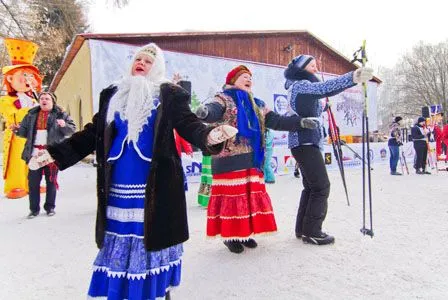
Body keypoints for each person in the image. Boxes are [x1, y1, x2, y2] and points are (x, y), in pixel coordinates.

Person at [29, 43, 236, 299]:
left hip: (155, 182)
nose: (142, 63)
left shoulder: (169, 94)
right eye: (138, 58)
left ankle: (156, 292)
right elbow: (91, 134)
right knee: (121, 238)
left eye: (148, 61)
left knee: (151, 235)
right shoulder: (113, 94)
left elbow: (188, 123)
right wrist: (54, 153)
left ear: (157, 67)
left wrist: (210, 135)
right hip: (118, 182)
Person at [196, 65, 319, 254]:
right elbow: (213, 110)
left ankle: (244, 233)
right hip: (229, 160)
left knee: (248, 198)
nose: (249, 79)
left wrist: (299, 123)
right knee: (233, 200)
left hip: (252, 160)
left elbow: (277, 121)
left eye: (250, 77)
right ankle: (231, 236)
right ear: (232, 80)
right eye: (244, 76)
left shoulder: (258, 104)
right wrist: (205, 112)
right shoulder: (224, 98)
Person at [284, 54, 373, 245]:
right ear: (301, 68)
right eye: (312, 65)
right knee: (321, 187)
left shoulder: (299, 87)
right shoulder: (301, 85)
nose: (316, 68)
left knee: (311, 187)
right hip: (305, 142)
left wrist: (322, 108)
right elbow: (325, 88)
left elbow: (307, 107)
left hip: (304, 142)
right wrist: (353, 77)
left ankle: (303, 229)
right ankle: (313, 231)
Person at [13, 92, 76, 218]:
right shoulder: (31, 115)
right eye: (42, 98)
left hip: (51, 154)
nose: (44, 100)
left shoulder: (61, 114)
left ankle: (50, 207)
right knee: (33, 183)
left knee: (51, 182)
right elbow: (24, 132)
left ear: (53, 101)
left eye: (47, 98)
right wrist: (16, 129)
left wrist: (64, 125)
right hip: (34, 153)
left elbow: (72, 129)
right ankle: (34, 210)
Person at [0, 38, 42, 199]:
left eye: (30, 76)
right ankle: (16, 185)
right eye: (23, 75)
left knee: (33, 159)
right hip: (16, 135)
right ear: (10, 78)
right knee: (18, 160)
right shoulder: (5, 100)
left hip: (33, 135)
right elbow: (13, 116)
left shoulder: (34, 100)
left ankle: (31, 184)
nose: (28, 80)